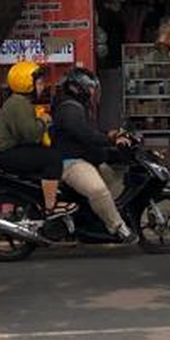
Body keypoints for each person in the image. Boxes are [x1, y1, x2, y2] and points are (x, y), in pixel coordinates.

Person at [50, 67, 137, 242]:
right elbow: (86, 135)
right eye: (89, 88)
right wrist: (111, 141)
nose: (92, 92)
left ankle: (99, 215)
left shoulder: (76, 106)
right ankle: (118, 228)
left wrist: (111, 134)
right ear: (77, 88)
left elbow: (89, 131)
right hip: (70, 162)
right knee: (99, 190)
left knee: (110, 177)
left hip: (81, 158)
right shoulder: (69, 109)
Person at [0, 62, 75, 219]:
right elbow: (30, 134)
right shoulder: (18, 104)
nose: (43, 87)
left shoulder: (19, 102)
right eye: (40, 83)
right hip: (6, 154)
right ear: (27, 84)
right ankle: (51, 207)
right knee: (52, 158)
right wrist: (43, 121)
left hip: (10, 151)